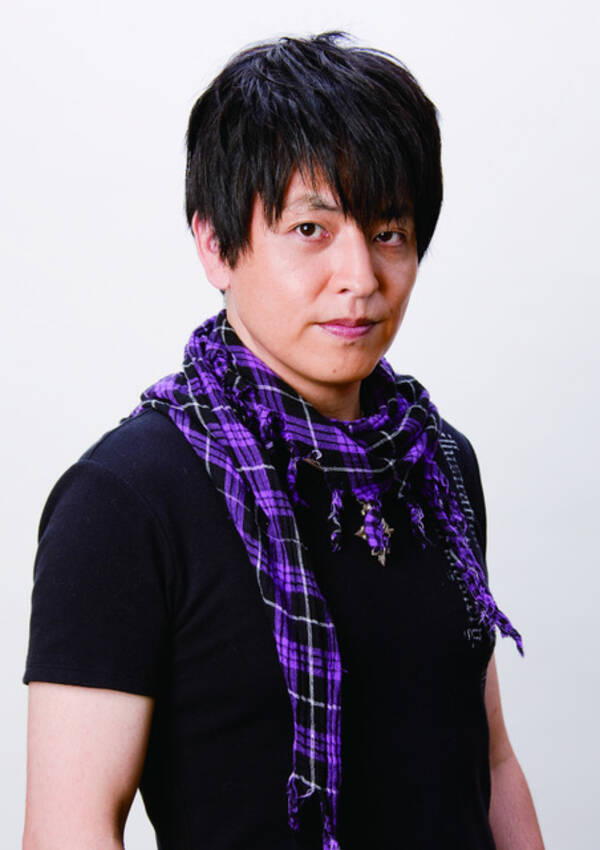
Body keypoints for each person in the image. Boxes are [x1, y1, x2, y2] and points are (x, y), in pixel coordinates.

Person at [22, 32, 545, 850]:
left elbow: (490, 761)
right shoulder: (126, 499)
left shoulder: (438, 462)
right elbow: (69, 828)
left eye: (389, 231)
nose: (360, 278)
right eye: (310, 229)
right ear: (215, 244)